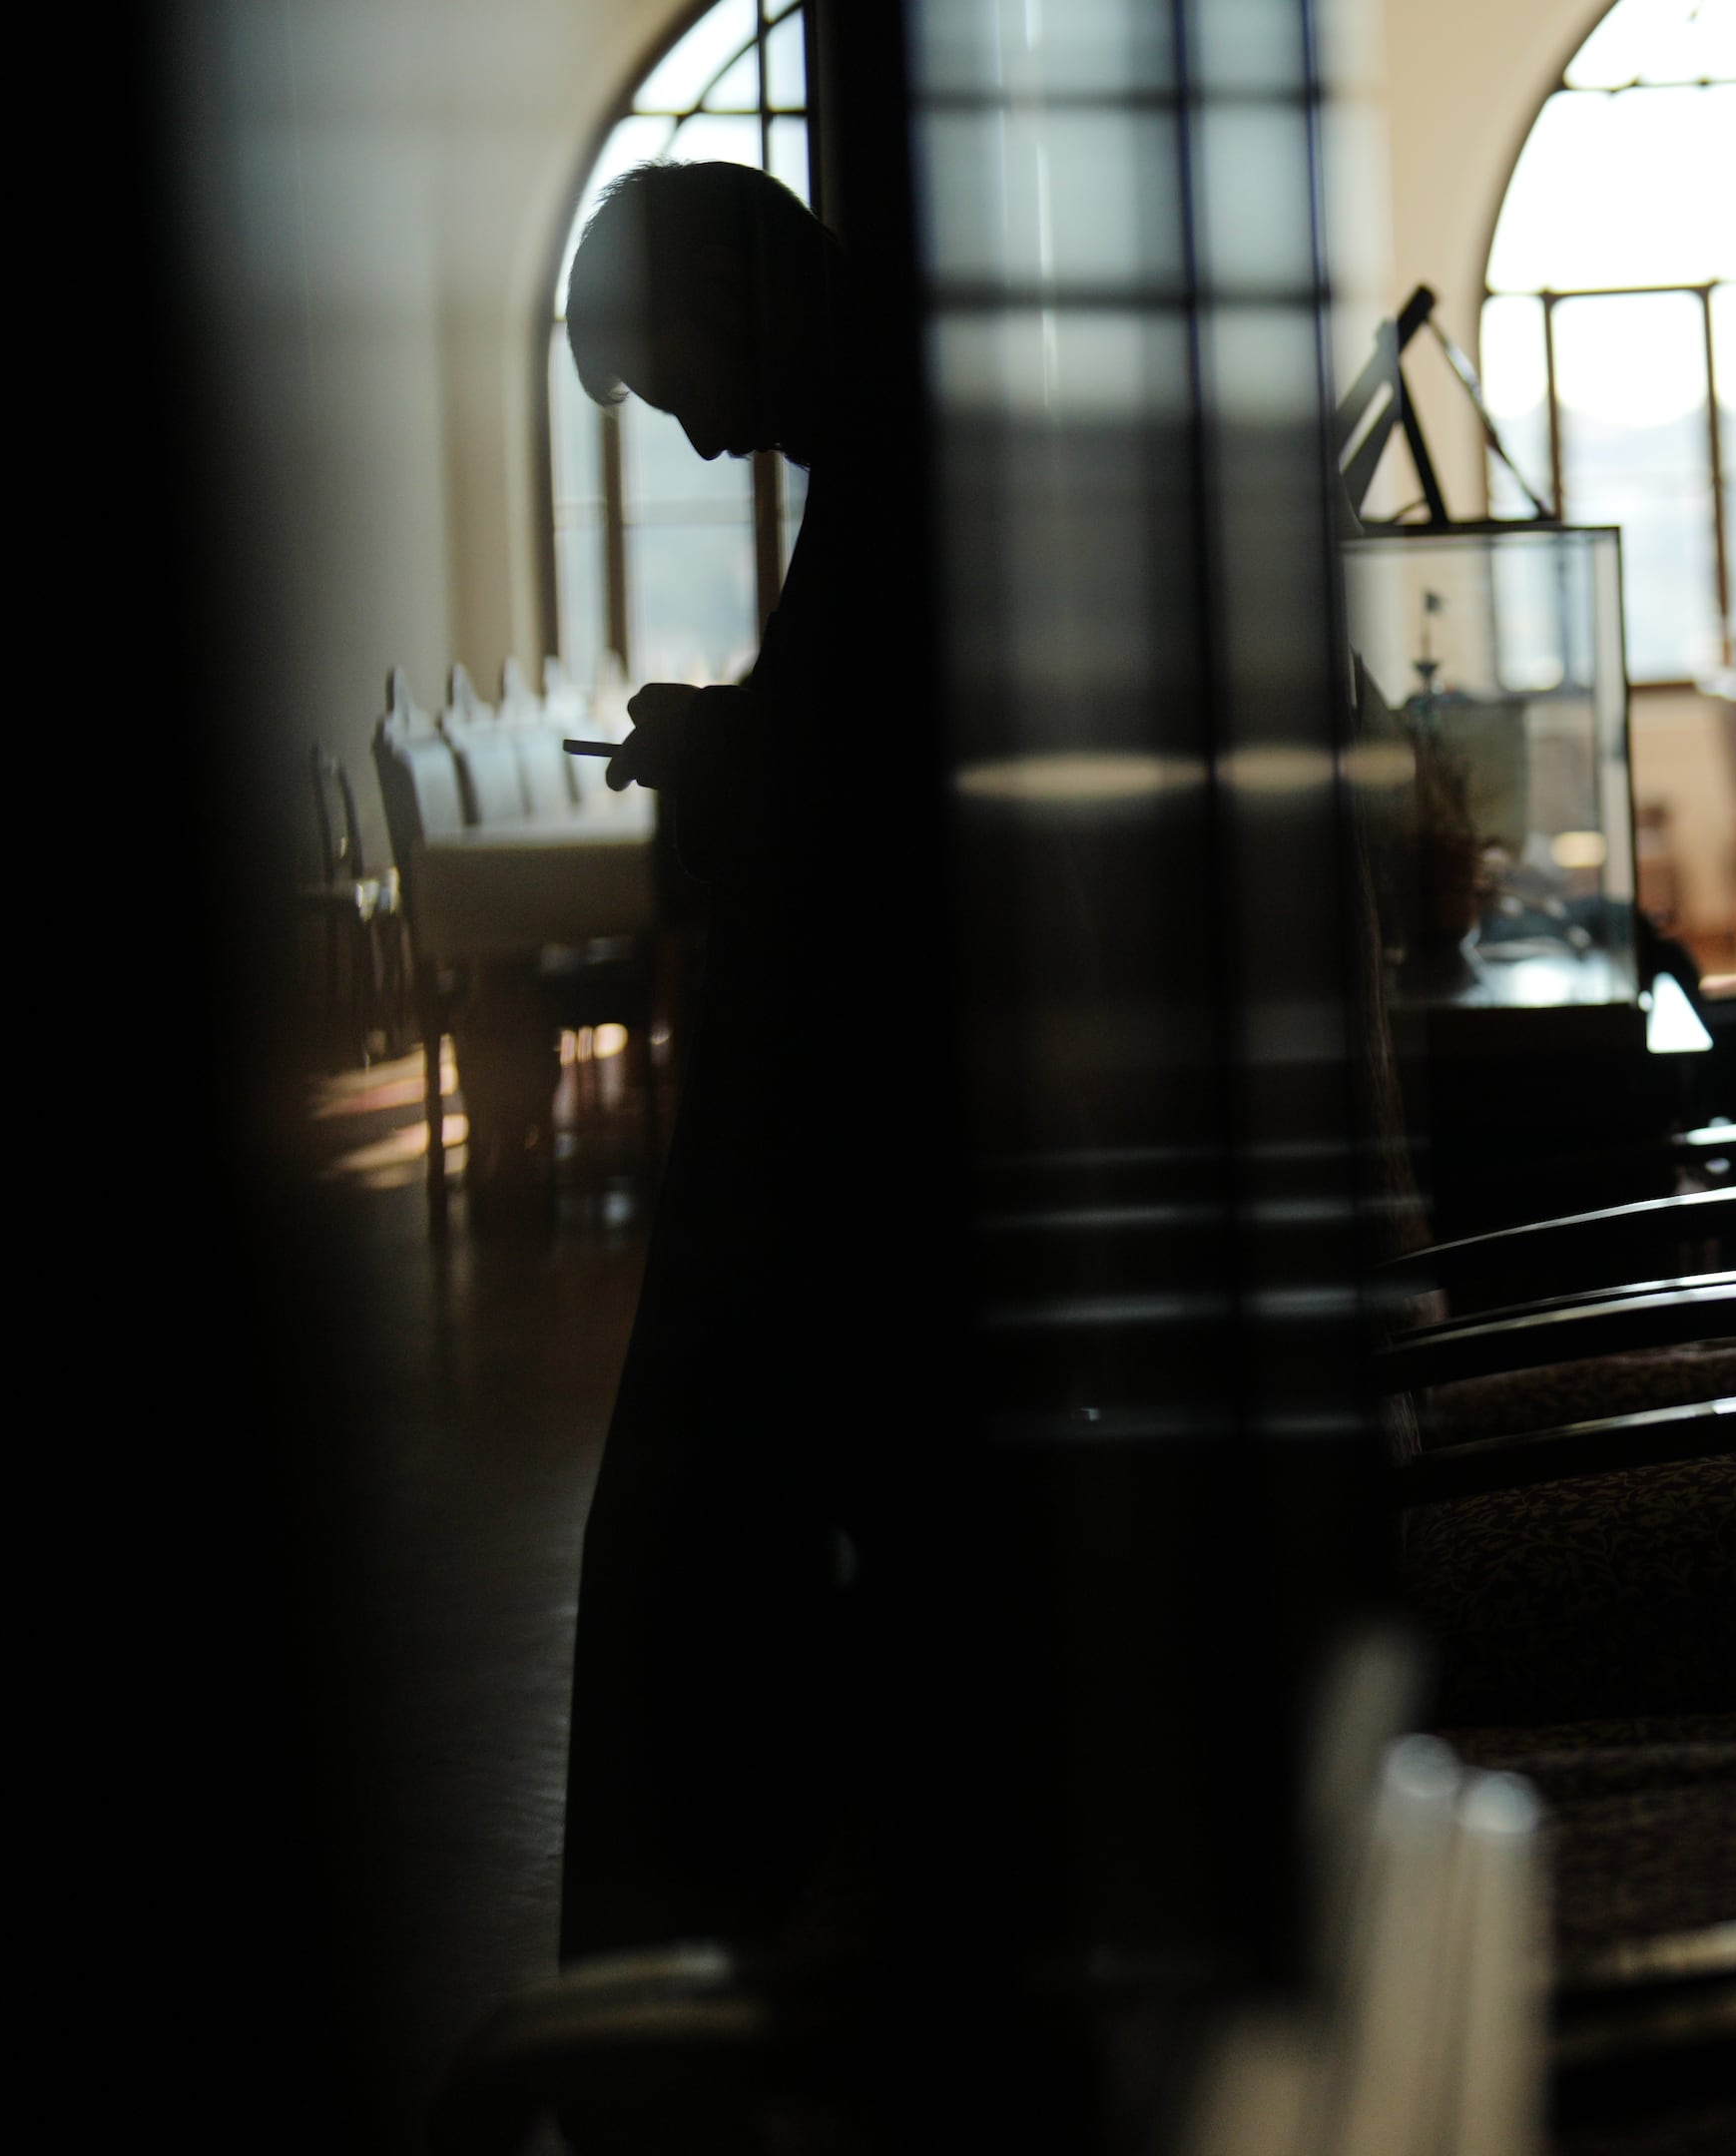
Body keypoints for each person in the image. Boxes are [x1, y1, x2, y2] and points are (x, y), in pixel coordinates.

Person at [553, 160, 941, 1960]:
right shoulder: (907, 449)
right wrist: (735, 743)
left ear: (741, 303)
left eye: (675, 379)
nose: (702, 440)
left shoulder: (905, 473)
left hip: (852, 1136)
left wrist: (718, 763)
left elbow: (872, 827)